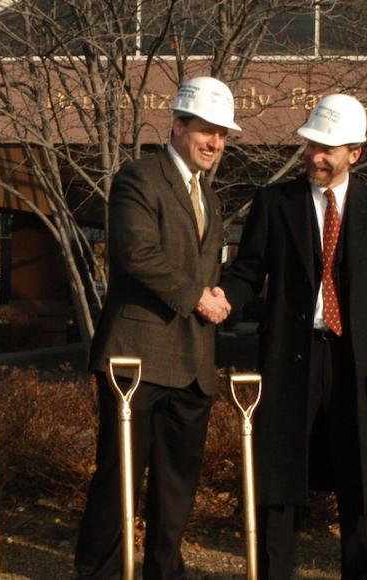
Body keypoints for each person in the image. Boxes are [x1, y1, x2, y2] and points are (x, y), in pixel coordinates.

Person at [218, 94, 367, 579]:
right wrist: (221, 298)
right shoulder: (274, 203)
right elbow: (248, 270)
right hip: (290, 358)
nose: (315, 157)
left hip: (360, 362)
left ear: (356, 153)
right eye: (311, 145)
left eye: (328, 149)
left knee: (363, 478)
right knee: (279, 479)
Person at [76, 76, 238, 579]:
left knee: (176, 487)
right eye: (205, 130)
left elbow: (203, 269)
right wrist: (198, 297)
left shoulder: (209, 197)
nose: (214, 142)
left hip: (191, 366)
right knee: (118, 481)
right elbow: (137, 254)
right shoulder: (138, 178)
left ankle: (164, 573)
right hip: (135, 360)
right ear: (178, 124)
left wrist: (217, 294)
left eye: (222, 134)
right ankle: (100, 573)